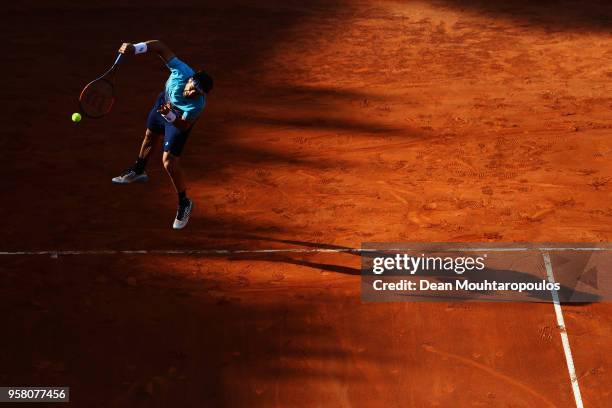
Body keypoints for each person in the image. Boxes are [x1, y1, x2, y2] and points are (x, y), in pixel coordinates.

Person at [111, 40, 213, 229]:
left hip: (177, 119)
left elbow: (183, 126)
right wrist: (135, 48)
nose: (191, 92)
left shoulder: (197, 105)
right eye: (193, 86)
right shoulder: (182, 70)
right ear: (191, 78)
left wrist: (171, 115)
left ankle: (184, 202)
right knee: (150, 135)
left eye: (197, 93)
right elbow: (159, 46)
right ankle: (139, 170)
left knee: (169, 163)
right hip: (163, 103)